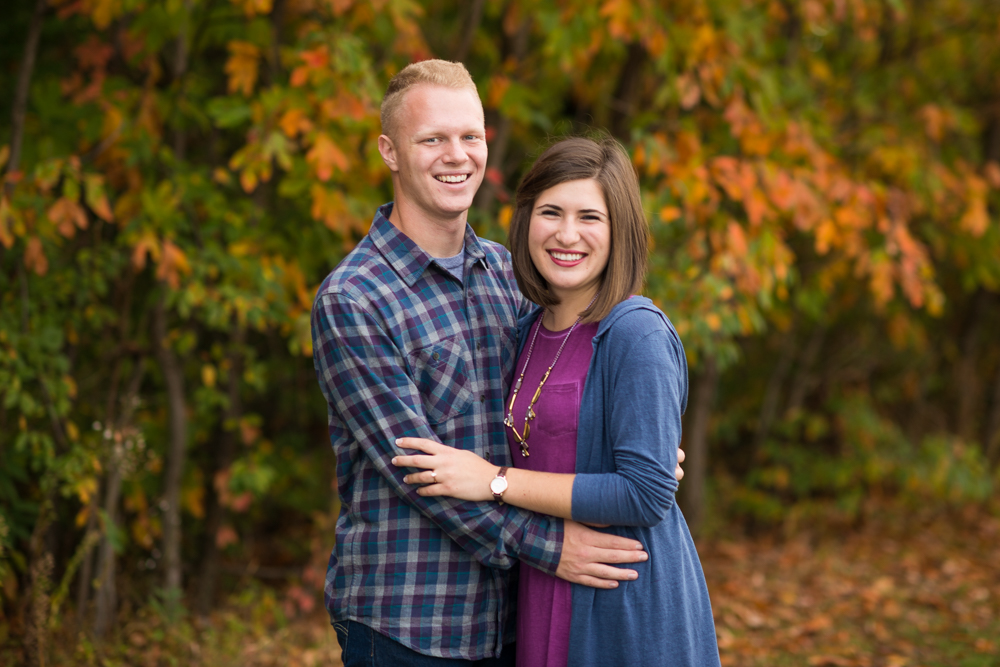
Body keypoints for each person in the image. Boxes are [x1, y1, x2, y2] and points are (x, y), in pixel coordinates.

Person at [311, 60, 681, 667]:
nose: (456, 155)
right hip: (411, 621)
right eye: (432, 139)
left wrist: (640, 456)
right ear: (390, 152)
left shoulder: (510, 276)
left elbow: (552, 413)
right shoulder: (355, 299)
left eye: (470, 136)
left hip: (516, 617)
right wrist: (551, 546)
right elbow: (421, 477)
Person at [393, 137, 721, 667]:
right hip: (544, 586)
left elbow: (646, 494)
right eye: (551, 212)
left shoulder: (634, 332)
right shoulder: (524, 331)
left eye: (589, 216)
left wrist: (495, 481)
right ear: (527, 222)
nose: (567, 234)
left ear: (620, 232)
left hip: (622, 600)